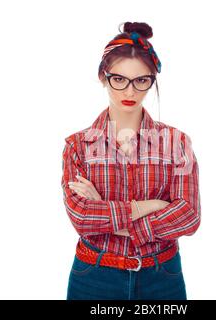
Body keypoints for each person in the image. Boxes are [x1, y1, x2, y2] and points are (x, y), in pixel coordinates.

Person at [61, 21, 201, 300]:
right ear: (103, 76)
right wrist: (151, 207)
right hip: (94, 276)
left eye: (141, 81)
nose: (130, 91)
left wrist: (107, 212)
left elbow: (189, 217)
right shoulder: (77, 146)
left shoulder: (176, 142)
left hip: (162, 276)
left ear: (152, 80)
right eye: (119, 79)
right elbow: (81, 217)